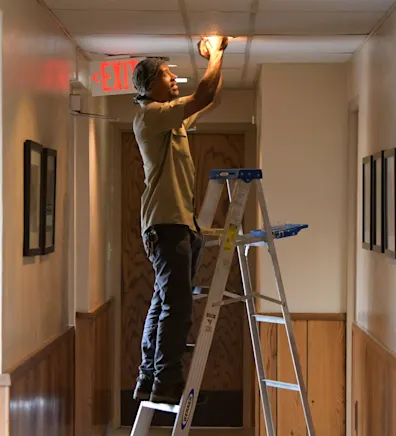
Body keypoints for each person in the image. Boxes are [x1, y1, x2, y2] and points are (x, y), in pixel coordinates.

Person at [131, 36, 228, 405]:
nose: (174, 80)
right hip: (166, 223)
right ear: (149, 84)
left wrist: (219, 60)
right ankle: (166, 378)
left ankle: (148, 376)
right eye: (168, 75)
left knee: (164, 300)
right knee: (177, 303)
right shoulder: (150, 115)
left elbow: (209, 96)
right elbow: (201, 96)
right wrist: (216, 53)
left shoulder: (169, 118)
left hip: (177, 224)